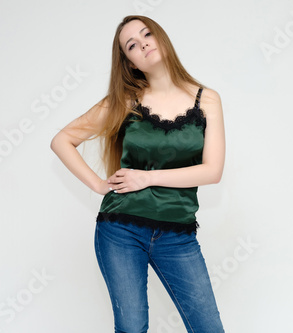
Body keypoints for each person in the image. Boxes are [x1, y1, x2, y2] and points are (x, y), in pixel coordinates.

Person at [51, 15, 225, 333]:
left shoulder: (207, 100)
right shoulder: (125, 102)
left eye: (147, 34)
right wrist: (98, 184)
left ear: (161, 38)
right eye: (132, 44)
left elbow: (212, 172)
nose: (143, 43)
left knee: (209, 328)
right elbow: (62, 140)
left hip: (178, 235)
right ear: (130, 62)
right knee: (132, 328)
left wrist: (148, 178)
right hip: (121, 230)